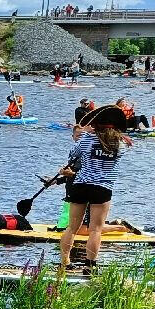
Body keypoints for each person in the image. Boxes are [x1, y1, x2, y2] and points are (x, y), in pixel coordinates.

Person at [59, 105, 126, 268]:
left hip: (81, 184)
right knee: (96, 230)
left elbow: (73, 154)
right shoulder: (120, 143)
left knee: (72, 228)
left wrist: (86, 135)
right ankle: (90, 265)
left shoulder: (88, 139)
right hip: (103, 188)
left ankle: (65, 262)